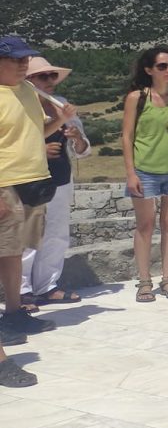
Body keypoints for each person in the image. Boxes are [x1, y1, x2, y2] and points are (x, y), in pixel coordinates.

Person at [0, 34, 70, 385]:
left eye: (25, 59)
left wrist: (60, 119)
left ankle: (14, 312)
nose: (24, 64)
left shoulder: (27, 91)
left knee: (15, 252)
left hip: (31, 181)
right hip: (5, 183)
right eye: (16, 59)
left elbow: (36, 133)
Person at [121, 47, 168, 302]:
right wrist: (131, 173)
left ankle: (167, 279)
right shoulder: (136, 98)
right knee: (145, 226)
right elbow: (127, 136)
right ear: (149, 70)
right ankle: (144, 281)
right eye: (162, 66)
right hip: (145, 170)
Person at [21, 57, 88, 309]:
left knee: (56, 234)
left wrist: (78, 138)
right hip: (29, 179)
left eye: (52, 75)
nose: (50, 80)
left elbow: (83, 149)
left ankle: (47, 286)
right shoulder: (20, 106)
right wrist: (40, 150)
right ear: (29, 80)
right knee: (28, 237)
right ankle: (21, 291)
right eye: (43, 76)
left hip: (60, 179)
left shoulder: (61, 105)